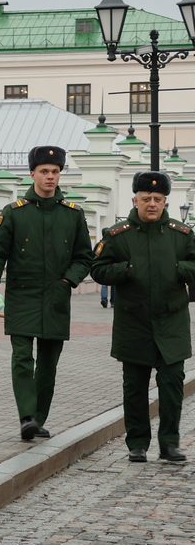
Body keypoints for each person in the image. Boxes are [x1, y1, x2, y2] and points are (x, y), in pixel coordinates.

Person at [0, 146, 93, 440]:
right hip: (22, 296)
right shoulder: (15, 213)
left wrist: (68, 281)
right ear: (32, 174)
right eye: (44, 171)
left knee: (48, 364)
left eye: (55, 172)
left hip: (56, 298)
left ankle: (38, 418)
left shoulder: (73, 215)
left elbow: (84, 257)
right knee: (21, 358)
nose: (50, 177)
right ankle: (26, 416)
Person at [90, 171, 195, 463]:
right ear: (135, 199)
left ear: (165, 202)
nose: (152, 204)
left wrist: (180, 268)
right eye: (146, 198)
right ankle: (137, 443)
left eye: (157, 199)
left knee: (172, 385)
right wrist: (126, 270)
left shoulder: (181, 234)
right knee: (134, 386)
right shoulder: (116, 235)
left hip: (171, 323)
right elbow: (97, 269)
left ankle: (169, 444)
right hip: (133, 322)